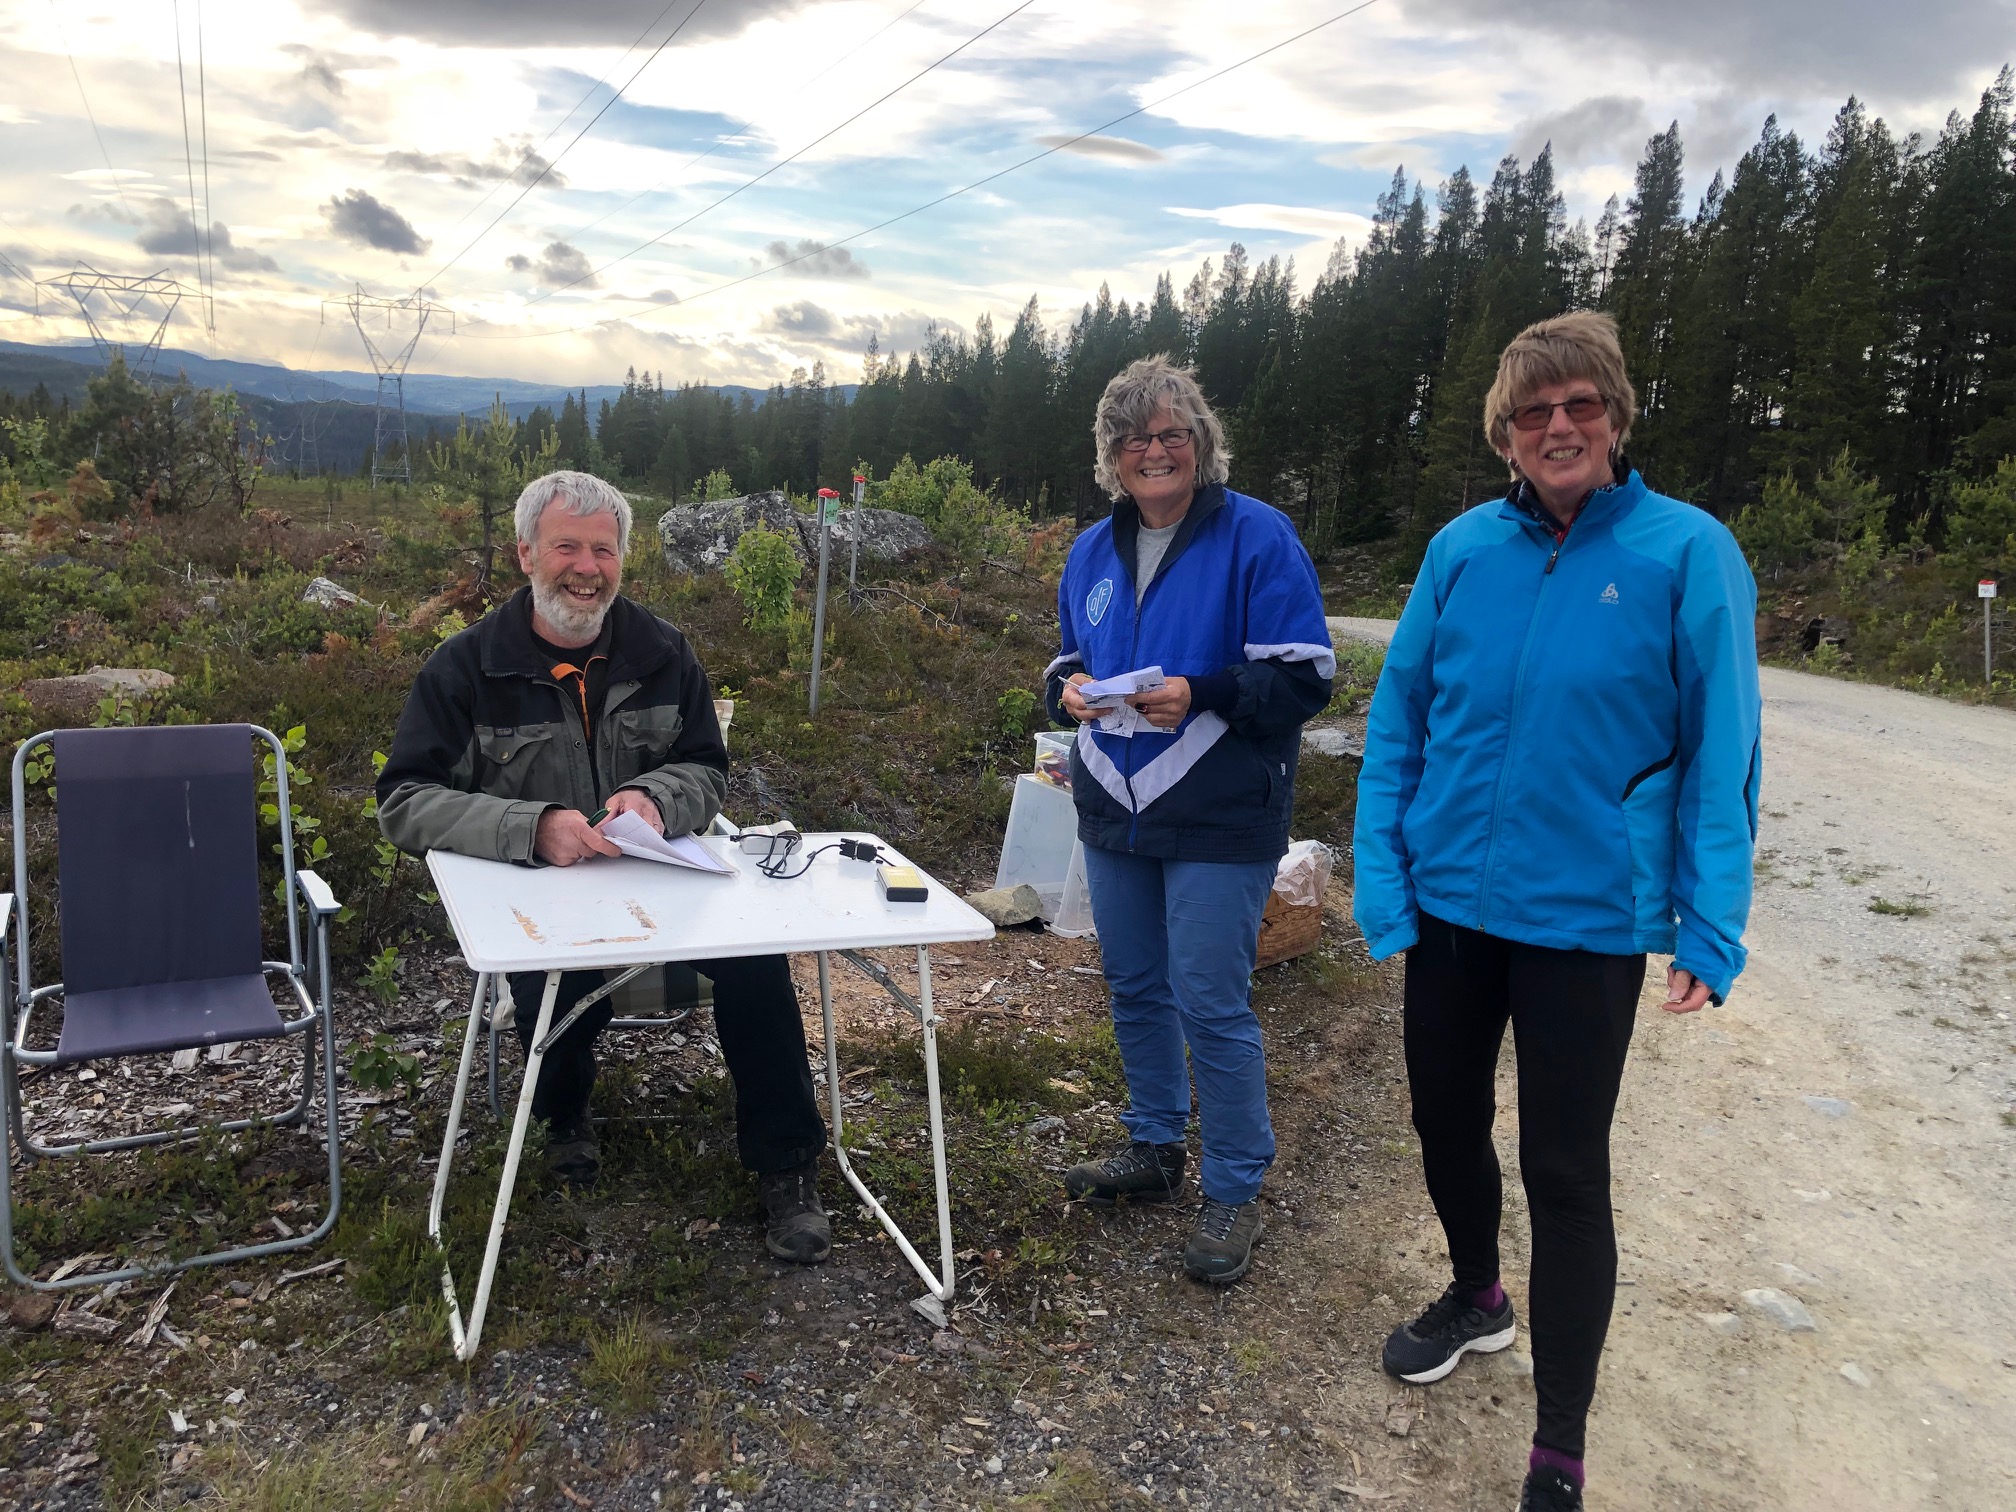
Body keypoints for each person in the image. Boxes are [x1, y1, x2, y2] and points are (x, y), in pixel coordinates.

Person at [1353, 312, 1762, 1511]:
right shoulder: (1462, 550)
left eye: (1581, 404)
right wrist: (1385, 878)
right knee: (1441, 1122)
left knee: (1567, 1172)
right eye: (1535, 412)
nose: (1559, 426)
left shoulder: (1690, 553)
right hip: (1452, 911)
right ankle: (1478, 1294)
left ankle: (1560, 1442)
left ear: (1618, 417)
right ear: (1506, 434)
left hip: (1587, 919)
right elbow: (1400, 723)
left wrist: (1709, 921)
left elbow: (1725, 746)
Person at [376, 470, 833, 1264]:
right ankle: (562, 1120)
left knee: (758, 962)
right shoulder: (464, 668)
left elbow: (705, 767)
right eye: (566, 547)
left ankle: (787, 1164)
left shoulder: (663, 652)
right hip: (541, 899)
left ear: (622, 559)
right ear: (525, 554)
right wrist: (532, 827)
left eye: (602, 550)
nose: (585, 568)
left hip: (666, 888)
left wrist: (657, 799)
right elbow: (405, 800)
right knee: (551, 977)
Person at [1045, 356, 1333, 1286]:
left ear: (1201, 444)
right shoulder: (1093, 549)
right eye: (1135, 440)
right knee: (1134, 985)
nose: (1155, 450)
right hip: (1113, 802)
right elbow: (1064, 663)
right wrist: (1069, 692)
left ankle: (1237, 1187)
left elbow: (1304, 678)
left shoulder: (1258, 535)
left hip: (1218, 808)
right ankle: (1156, 1147)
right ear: (1112, 458)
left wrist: (1198, 692)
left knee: (1210, 997)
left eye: (1172, 434)